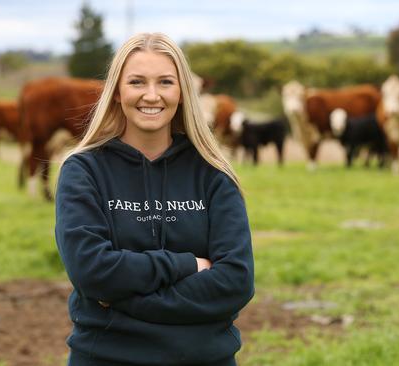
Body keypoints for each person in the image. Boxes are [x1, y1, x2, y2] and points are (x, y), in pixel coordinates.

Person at [55, 32, 254, 366]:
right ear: (117, 92)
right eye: (136, 82)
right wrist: (186, 265)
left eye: (165, 82)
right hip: (106, 358)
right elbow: (91, 271)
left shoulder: (213, 173)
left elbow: (235, 281)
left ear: (182, 93)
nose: (151, 95)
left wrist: (122, 301)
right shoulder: (83, 170)